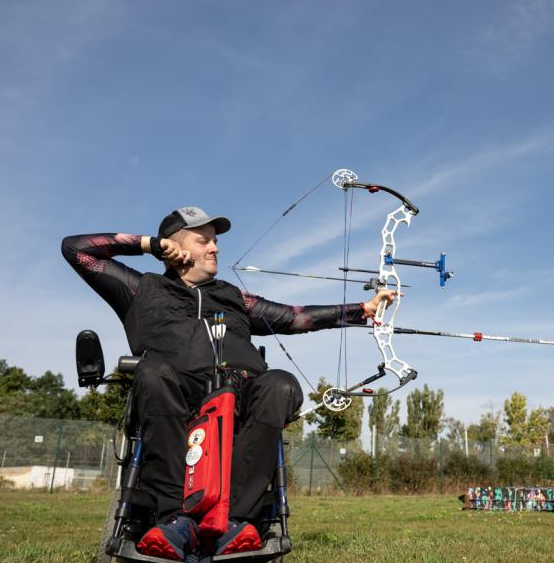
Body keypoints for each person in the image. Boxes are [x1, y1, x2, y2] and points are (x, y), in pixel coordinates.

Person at [62, 206, 394, 560]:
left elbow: (297, 318)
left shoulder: (234, 298)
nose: (215, 248)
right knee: (151, 371)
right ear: (175, 247)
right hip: (173, 396)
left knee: (280, 383)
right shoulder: (140, 289)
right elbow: (76, 249)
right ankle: (175, 520)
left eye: (216, 241)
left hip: (239, 398)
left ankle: (236, 521)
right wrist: (149, 245)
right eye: (204, 240)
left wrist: (363, 310)